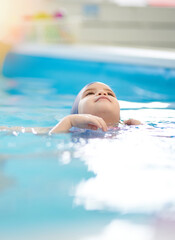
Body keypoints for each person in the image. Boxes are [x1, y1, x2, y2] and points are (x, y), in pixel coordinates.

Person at [49, 82, 141, 134]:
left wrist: (141, 127)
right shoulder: (72, 129)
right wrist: (69, 121)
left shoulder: (128, 130)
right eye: (90, 93)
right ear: (76, 113)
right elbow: (49, 137)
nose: (102, 93)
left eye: (109, 94)